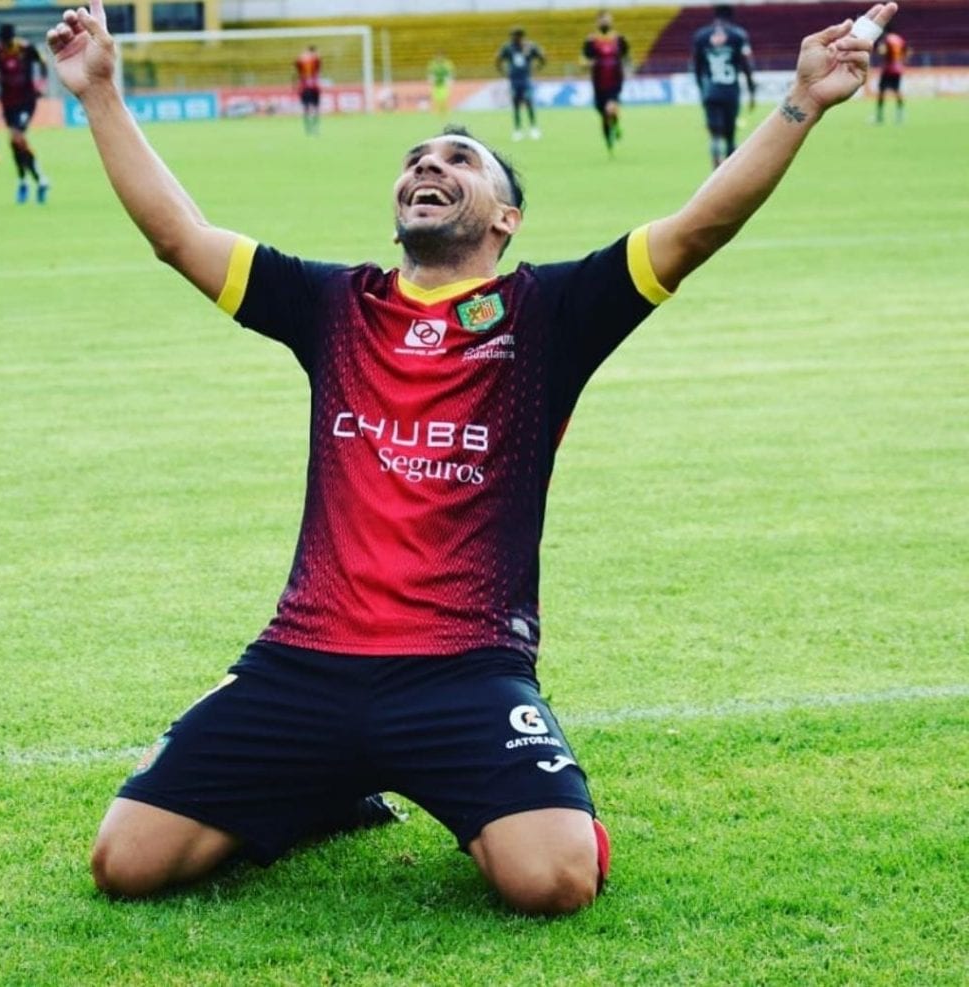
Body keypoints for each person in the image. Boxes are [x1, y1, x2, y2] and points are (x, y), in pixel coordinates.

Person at [47, 0, 896, 917]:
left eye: (459, 160)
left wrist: (801, 101)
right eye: (418, 158)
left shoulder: (550, 314)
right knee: (125, 863)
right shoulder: (334, 306)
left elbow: (696, 230)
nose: (429, 165)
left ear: (505, 219)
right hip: (304, 659)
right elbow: (179, 236)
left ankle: (457, 785)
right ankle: (323, 788)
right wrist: (99, 93)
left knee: (553, 880)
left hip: (463, 667)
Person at [0, 23, 49, 203]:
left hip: (26, 101)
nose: (5, 45)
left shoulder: (26, 48)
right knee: (14, 143)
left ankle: (31, 180)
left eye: (7, 42)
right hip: (8, 103)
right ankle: (34, 180)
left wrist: (41, 84)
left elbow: (43, 63)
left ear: (12, 38)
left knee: (17, 137)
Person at [693, 5, 757, 170]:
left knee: (715, 134)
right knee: (730, 135)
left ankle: (715, 165)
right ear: (731, 16)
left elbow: (697, 68)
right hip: (730, 92)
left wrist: (702, 90)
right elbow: (746, 66)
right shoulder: (738, 35)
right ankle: (729, 171)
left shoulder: (701, 36)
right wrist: (751, 92)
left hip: (710, 91)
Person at [582, 10, 631, 154]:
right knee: (603, 114)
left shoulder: (619, 39)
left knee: (610, 108)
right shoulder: (591, 41)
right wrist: (586, 64)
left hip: (615, 81)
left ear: (611, 21)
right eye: (602, 20)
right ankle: (610, 137)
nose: (605, 22)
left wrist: (628, 68)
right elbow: (584, 58)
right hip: (598, 82)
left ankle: (615, 125)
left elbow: (626, 56)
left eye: (607, 20)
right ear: (597, 22)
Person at [496, 27, 545, 141]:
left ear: (521, 36)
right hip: (514, 80)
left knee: (529, 102)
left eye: (516, 36)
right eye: (512, 36)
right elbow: (498, 59)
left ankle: (533, 128)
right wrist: (503, 72)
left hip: (525, 79)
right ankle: (517, 130)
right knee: (516, 104)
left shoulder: (530, 46)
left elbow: (542, 56)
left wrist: (538, 68)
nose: (513, 38)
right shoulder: (508, 47)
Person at [875, 24, 910, 123]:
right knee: (897, 91)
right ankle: (900, 115)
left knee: (881, 91)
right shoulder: (899, 39)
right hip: (898, 68)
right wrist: (903, 61)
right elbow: (907, 51)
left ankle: (879, 117)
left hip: (888, 68)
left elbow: (882, 51)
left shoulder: (886, 39)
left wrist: (879, 50)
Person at [294, 44, 321, 135]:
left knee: (308, 108)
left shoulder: (302, 59)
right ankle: (313, 128)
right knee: (313, 108)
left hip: (306, 87)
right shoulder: (315, 59)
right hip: (311, 87)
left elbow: (297, 64)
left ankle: (309, 128)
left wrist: (304, 54)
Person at [427, 51, 455, 117]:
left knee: (444, 97)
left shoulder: (447, 64)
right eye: (438, 56)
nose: (439, 58)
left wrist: (450, 81)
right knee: (436, 98)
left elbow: (450, 73)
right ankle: (436, 111)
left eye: (441, 56)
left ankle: (445, 111)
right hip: (436, 84)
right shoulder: (433, 64)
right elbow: (430, 73)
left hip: (444, 84)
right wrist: (430, 80)